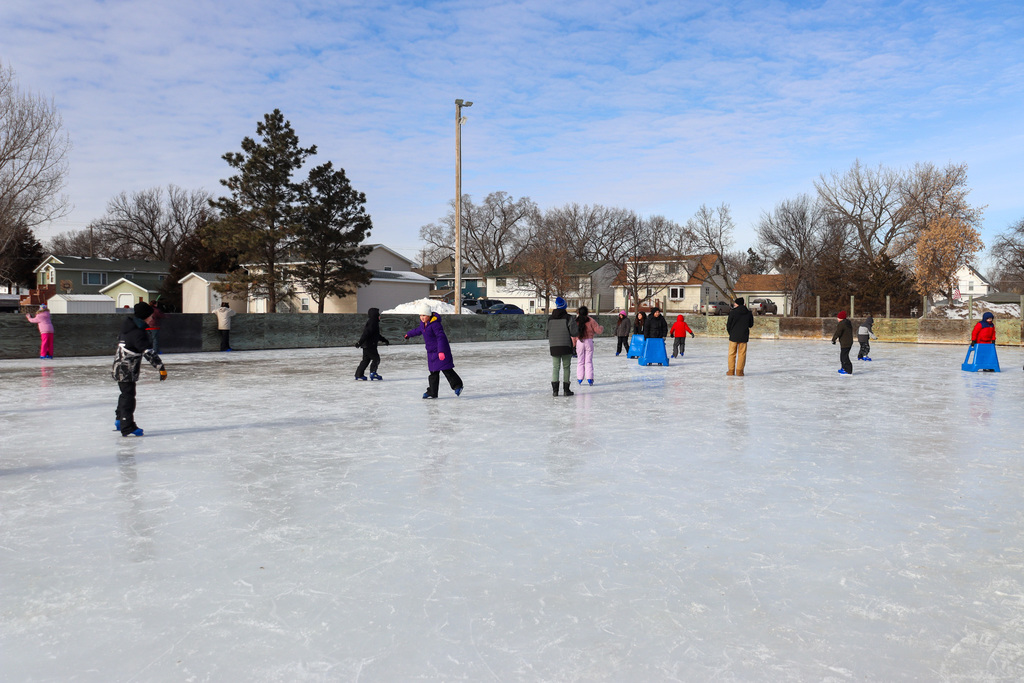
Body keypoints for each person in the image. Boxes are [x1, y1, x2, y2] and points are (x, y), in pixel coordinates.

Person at [112, 302, 167, 436]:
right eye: (150, 316)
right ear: (144, 317)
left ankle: (119, 420)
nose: (152, 319)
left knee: (125, 395)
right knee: (129, 398)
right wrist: (161, 368)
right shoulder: (138, 333)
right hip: (127, 371)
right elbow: (148, 352)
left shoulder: (128, 327)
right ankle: (127, 426)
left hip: (119, 368)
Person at [405, 302, 463, 399]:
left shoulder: (435, 325)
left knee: (446, 369)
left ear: (428, 315)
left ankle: (458, 385)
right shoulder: (423, 324)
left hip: (440, 351)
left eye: (424, 315)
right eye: (420, 315)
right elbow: (418, 330)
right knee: (433, 373)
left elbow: (441, 338)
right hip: (431, 352)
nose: (422, 317)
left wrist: (441, 351)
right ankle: (432, 392)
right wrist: (409, 334)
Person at [546, 297, 575, 397]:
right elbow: (574, 332)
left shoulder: (550, 319)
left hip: (554, 346)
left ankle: (555, 391)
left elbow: (547, 333)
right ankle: (566, 390)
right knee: (566, 367)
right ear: (565, 306)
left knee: (555, 367)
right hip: (566, 345)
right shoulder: (568, 318)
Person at [355, 307, 390, 380]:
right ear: (375, 316)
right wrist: (359, 342)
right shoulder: (373, 322)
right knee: (376, 359)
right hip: (370, 345)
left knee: (366, 360)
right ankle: (373, 373)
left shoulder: (373, 322)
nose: (380, 316)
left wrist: (384, 340)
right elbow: (366, 333)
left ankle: (359, 374)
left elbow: (376, 335)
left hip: (366, 345)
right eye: (378, 315)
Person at [574, 305, 605, 385]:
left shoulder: (576, 321)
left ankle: (580, 378)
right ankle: (590, 378)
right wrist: (601, 327)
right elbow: (598, 331)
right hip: (589, 341)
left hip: (579, 342)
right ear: (587, 313)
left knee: (580, 361)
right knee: (588, 361)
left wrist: (574, 343)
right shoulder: (591, 320)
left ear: (578, 313)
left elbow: (573, 334)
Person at [726, 297, 754, 376]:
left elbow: (728, 325)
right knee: (742, 354)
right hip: (743, 336)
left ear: (737, 304)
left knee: (731, 354)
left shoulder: (732, 312)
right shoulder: (748, 313)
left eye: (735, 303)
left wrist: (730, 333)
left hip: (734, 336)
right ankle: (739, 371)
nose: (734, 304)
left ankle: (731, 371)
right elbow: (751, 325)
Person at [832, 310, 854, 375]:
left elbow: (838, 332)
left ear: (841, 318)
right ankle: (844, 368)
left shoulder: (842, 324)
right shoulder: (847, 323)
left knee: (844, 357)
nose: (837, 319)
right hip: (848, 342)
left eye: (838, 318)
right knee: (843, 356)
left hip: (845, 343)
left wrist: (833, 339)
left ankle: (847, 370)